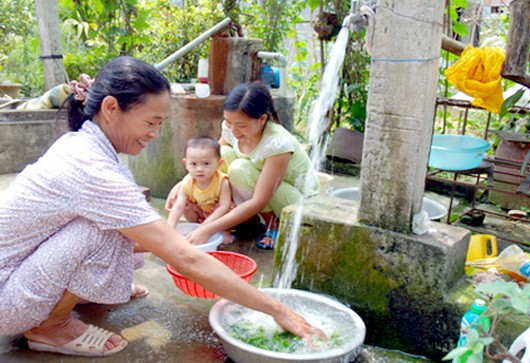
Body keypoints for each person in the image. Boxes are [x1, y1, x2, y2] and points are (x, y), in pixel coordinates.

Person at [0, 56, 325, 357]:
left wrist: (172, 241)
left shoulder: (82, 143)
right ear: (111, 108)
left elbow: (162, 243)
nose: (155, 134)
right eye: (151, 122)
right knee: (102, 231)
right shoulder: (91, 167)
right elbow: (184, 260)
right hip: (6, 298)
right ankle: (50, 327)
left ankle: (75, 296)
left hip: (16, 275)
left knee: (119, 231)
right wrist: (277, 309)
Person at [166, 82, 319, 249]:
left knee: (240, 169)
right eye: (229, 122)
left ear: (262, 119)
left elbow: (259, 200)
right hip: (264, 188)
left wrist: (207, 229)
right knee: (222, 153)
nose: (234, 130)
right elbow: (213, 158)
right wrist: (181, 185)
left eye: (241, 125)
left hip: (298, 201)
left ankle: (272, 224)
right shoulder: (231, 129)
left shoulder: (278, 143)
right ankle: (247, 219)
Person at [167, 136, 234, 244]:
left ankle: (224, 230)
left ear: (219, 164)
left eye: (206, 164)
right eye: (193, 164)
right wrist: (169, 229)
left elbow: (224, 206)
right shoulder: (187, 183)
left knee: (228, 211)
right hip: (202, 211)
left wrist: (206, 226)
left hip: (218, 214)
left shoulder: (222, 181)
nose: (199, 169)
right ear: (186, 164)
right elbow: (178, 207)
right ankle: (195, 227)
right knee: (186, 206)